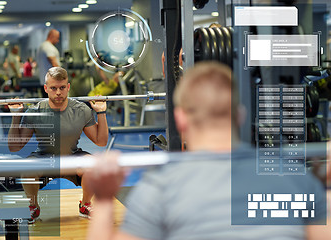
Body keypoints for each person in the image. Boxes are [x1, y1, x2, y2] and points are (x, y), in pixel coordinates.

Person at [84, 62, 331, 239]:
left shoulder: (160, 189)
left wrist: (104, 199)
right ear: (241, 115)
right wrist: (327, 190)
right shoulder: (295, 179)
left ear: (180, 119)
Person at [7, 67, 108, 223]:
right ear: (46, 88)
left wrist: (101, 112)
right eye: (53, 88)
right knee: (27, 168)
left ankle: (85, 205)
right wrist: (15, 117)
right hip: (45, 158)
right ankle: (33, 206)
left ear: (68, 87)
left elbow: (101, 141)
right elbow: (15, 147)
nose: (58, 92)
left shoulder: (81, 110)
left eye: (62, 88)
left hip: (72, 158)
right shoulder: (35, 111)